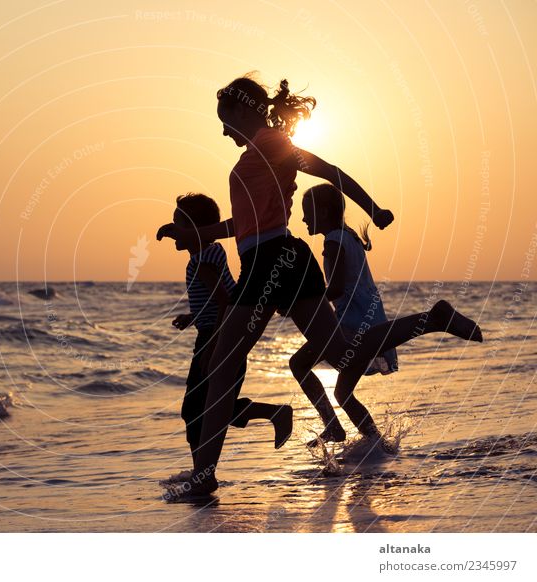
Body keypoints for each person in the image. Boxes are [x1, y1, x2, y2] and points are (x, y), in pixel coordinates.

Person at [157, 74, 483, 499]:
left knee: (221, 367)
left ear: (242, 110)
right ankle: (431, 319)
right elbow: (244, 224)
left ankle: (204, 476)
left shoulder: (270, 144)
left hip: (270, 262)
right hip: (284, 260)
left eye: (225, 119)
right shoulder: (261, 152)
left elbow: (330, 172)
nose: (222, 130)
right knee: (341, 350)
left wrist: (373, 208)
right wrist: (201, 235)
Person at [169, 193, 292, 482]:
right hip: (220, 333)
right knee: (209, 406)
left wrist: (213, 344)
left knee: (197, 409)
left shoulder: (202, 264)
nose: (173, 230)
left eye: (178, 224)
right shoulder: (206, 256)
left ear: (195, 229)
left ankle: (203, 474)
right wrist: (193, 317)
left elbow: (225, 302)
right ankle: (203, 471)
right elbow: (223, 297)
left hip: (217, 337)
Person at [292, 184, 398, 446]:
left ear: (324, 212)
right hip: (367, 319)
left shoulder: (334, 240)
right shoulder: (346, 236)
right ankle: (378, 444)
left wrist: (303, 302)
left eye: (308, 212)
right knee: (343, 392)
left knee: (299, 364)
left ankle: (336, 429)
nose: (303, 218)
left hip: (351, 324)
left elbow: (337, 287)